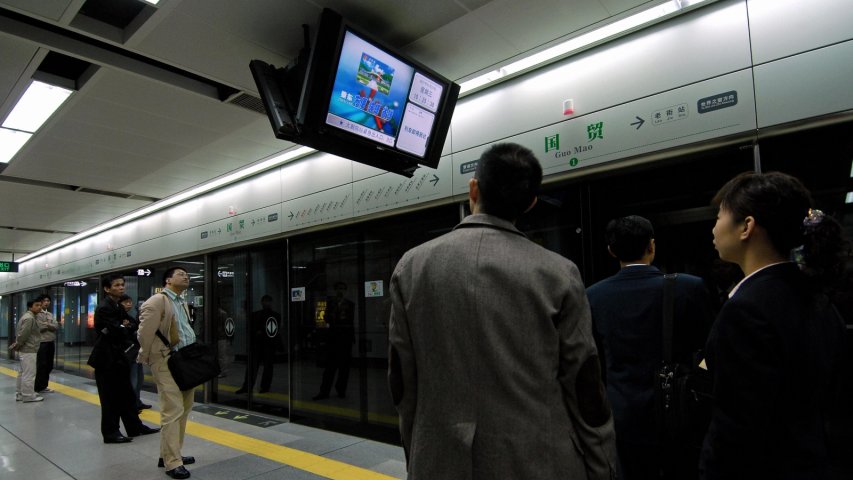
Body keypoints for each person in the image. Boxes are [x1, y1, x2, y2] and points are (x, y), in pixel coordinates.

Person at [388, 142, 619, 479]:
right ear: (531, 203)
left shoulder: (411, 266)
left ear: (473, 189)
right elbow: (585, 387)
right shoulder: (559, 273)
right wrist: (603, 467)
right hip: (538, 461)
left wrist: (421, 449)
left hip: (439, 460)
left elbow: (402, 383)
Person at [701, 171, 848, 479]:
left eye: (719, 216)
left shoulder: (746, 310)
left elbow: (737, 431)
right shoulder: (818, 299)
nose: (714, 227)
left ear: (746, 226)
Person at [586, 215, 713, 480]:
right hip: (679, 408)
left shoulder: (593, 296)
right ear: (652, 246)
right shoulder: (689, 288)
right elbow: (708, 350)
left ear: (611, 250)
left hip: (622, 415)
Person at [138, 267, 197, 479]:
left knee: (185, 407)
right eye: (181, 274)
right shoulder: (157, 301)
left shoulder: (181, 301)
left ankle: (171, 454)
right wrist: (149, 356)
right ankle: (173, 463)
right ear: (168, 280)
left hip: (184, 360)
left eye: (187, 274)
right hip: (166, 361)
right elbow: (144, 333)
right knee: (172, 409)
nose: (186, 276)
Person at [90, 274, 160, 443]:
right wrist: (124, 327)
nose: (121, 287)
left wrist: (124, 326)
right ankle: (110, 433)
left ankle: (134, 427)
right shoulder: (105, 307)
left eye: (122, 285)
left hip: (119, 358)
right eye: (117, 285)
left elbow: (133, 324)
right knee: (110, 399)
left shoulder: (117, 306)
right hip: (106, 360)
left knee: (127, 395)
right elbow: (116, 330)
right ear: (107, 289)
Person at [313, 283, 354, 400]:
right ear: (335, 291)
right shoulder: (330, 304)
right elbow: (325, 318)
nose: (340, 291)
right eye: (338, 289)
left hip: (345, 340)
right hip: (333, 340)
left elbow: (349, 321)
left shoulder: (350, 305)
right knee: (329, 369)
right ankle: (324, 391)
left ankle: (341, 390)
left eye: (342, 289)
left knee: (344, 369)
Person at [236, 295, 281, 394]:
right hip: (260, 345)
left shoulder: (259, 315)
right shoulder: (271, 316)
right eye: (265, 301)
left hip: (265, 345)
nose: (266, 303)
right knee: (257, 366)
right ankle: (252, 386)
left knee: (265, 367)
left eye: (268, 301)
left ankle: (261, 387)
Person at [120, 294, 151, 410]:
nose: (129, 304)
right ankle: (131, 404)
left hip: (136, 351)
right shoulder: (119, 317)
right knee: (133, 378)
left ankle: (136, 401)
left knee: (139, 378)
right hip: (128, 352)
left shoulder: (130, 317)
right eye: (126, 302)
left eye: (130, 302)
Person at [14, 300, 45, 403]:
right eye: (36, 305)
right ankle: (28, 396)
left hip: (25, 349)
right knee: (29, 374)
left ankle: (20, 394)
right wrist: (18, 344)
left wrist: (18, 345)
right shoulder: (30, 318)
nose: (39, 307)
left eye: (40, 305)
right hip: (29, 349)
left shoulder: (26, 316)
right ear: (30, 307)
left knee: (22, 373)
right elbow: (24, 334)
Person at [34, 294, 60, 394]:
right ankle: (37, 387)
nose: (46, 302)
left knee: (49, 365)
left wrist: (47, 325)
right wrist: (50, 325)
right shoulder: (37, 314)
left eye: (48, 301)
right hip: (41, 342)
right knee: (41, 365)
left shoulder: (49, 314)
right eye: (44, 301)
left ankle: (44, 385)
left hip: (50, 341)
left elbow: (56, 326)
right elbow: (39, 328)